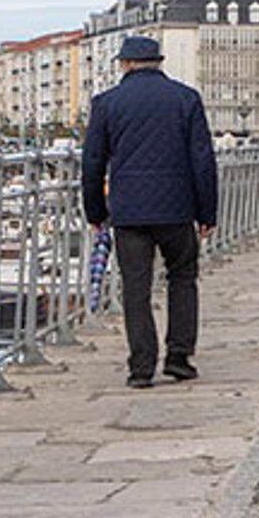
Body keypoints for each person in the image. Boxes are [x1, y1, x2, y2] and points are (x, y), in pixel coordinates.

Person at [80, 35, 217, 389]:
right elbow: (203, 161)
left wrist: (95, 211)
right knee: (182, 279)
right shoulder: (186, 99)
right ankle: (179, 358)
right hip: (177, 207)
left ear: (125, 64)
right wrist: (207, 213)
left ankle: (141, 367)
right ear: (159, 61)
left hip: (129, 211)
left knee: (135, 287)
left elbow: (93, 162)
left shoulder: (106, 103)